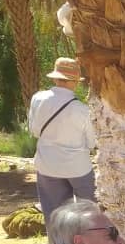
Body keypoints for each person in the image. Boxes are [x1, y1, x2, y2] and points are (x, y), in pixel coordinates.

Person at [28, 57, 97, 222]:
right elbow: (92, 143)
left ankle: (58, 240)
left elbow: (34, 131)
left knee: (54, 216)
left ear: (55, 78)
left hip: (47, 165)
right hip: (78, 168)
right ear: (75, 82)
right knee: (89, 214)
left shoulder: (37, 98)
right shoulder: (82, 110)